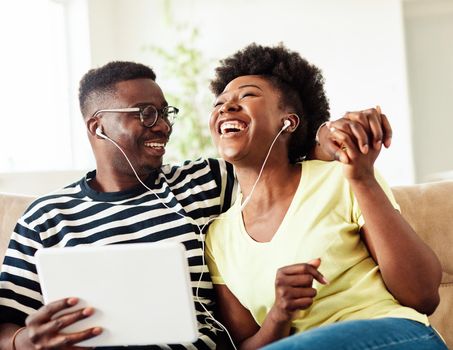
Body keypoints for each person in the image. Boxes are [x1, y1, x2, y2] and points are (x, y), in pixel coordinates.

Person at [0, 60, 390, 350]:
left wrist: (324, 134)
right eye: (145, 114)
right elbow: (5, 325)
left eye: (165, 113)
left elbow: (281, 165)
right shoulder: (47, 217)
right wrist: (24, 341)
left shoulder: (204, 180)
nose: (164, 126)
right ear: (98, 126)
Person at [205, 43, 447, 350]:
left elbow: (423, 295)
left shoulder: (341, 177)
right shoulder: (218, 238)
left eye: (247, 95)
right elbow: (247, 346)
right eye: (219, 103)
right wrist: (279, 314)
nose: (226, 107)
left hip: (396, 337)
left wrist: (362, 180)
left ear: (288, 122)